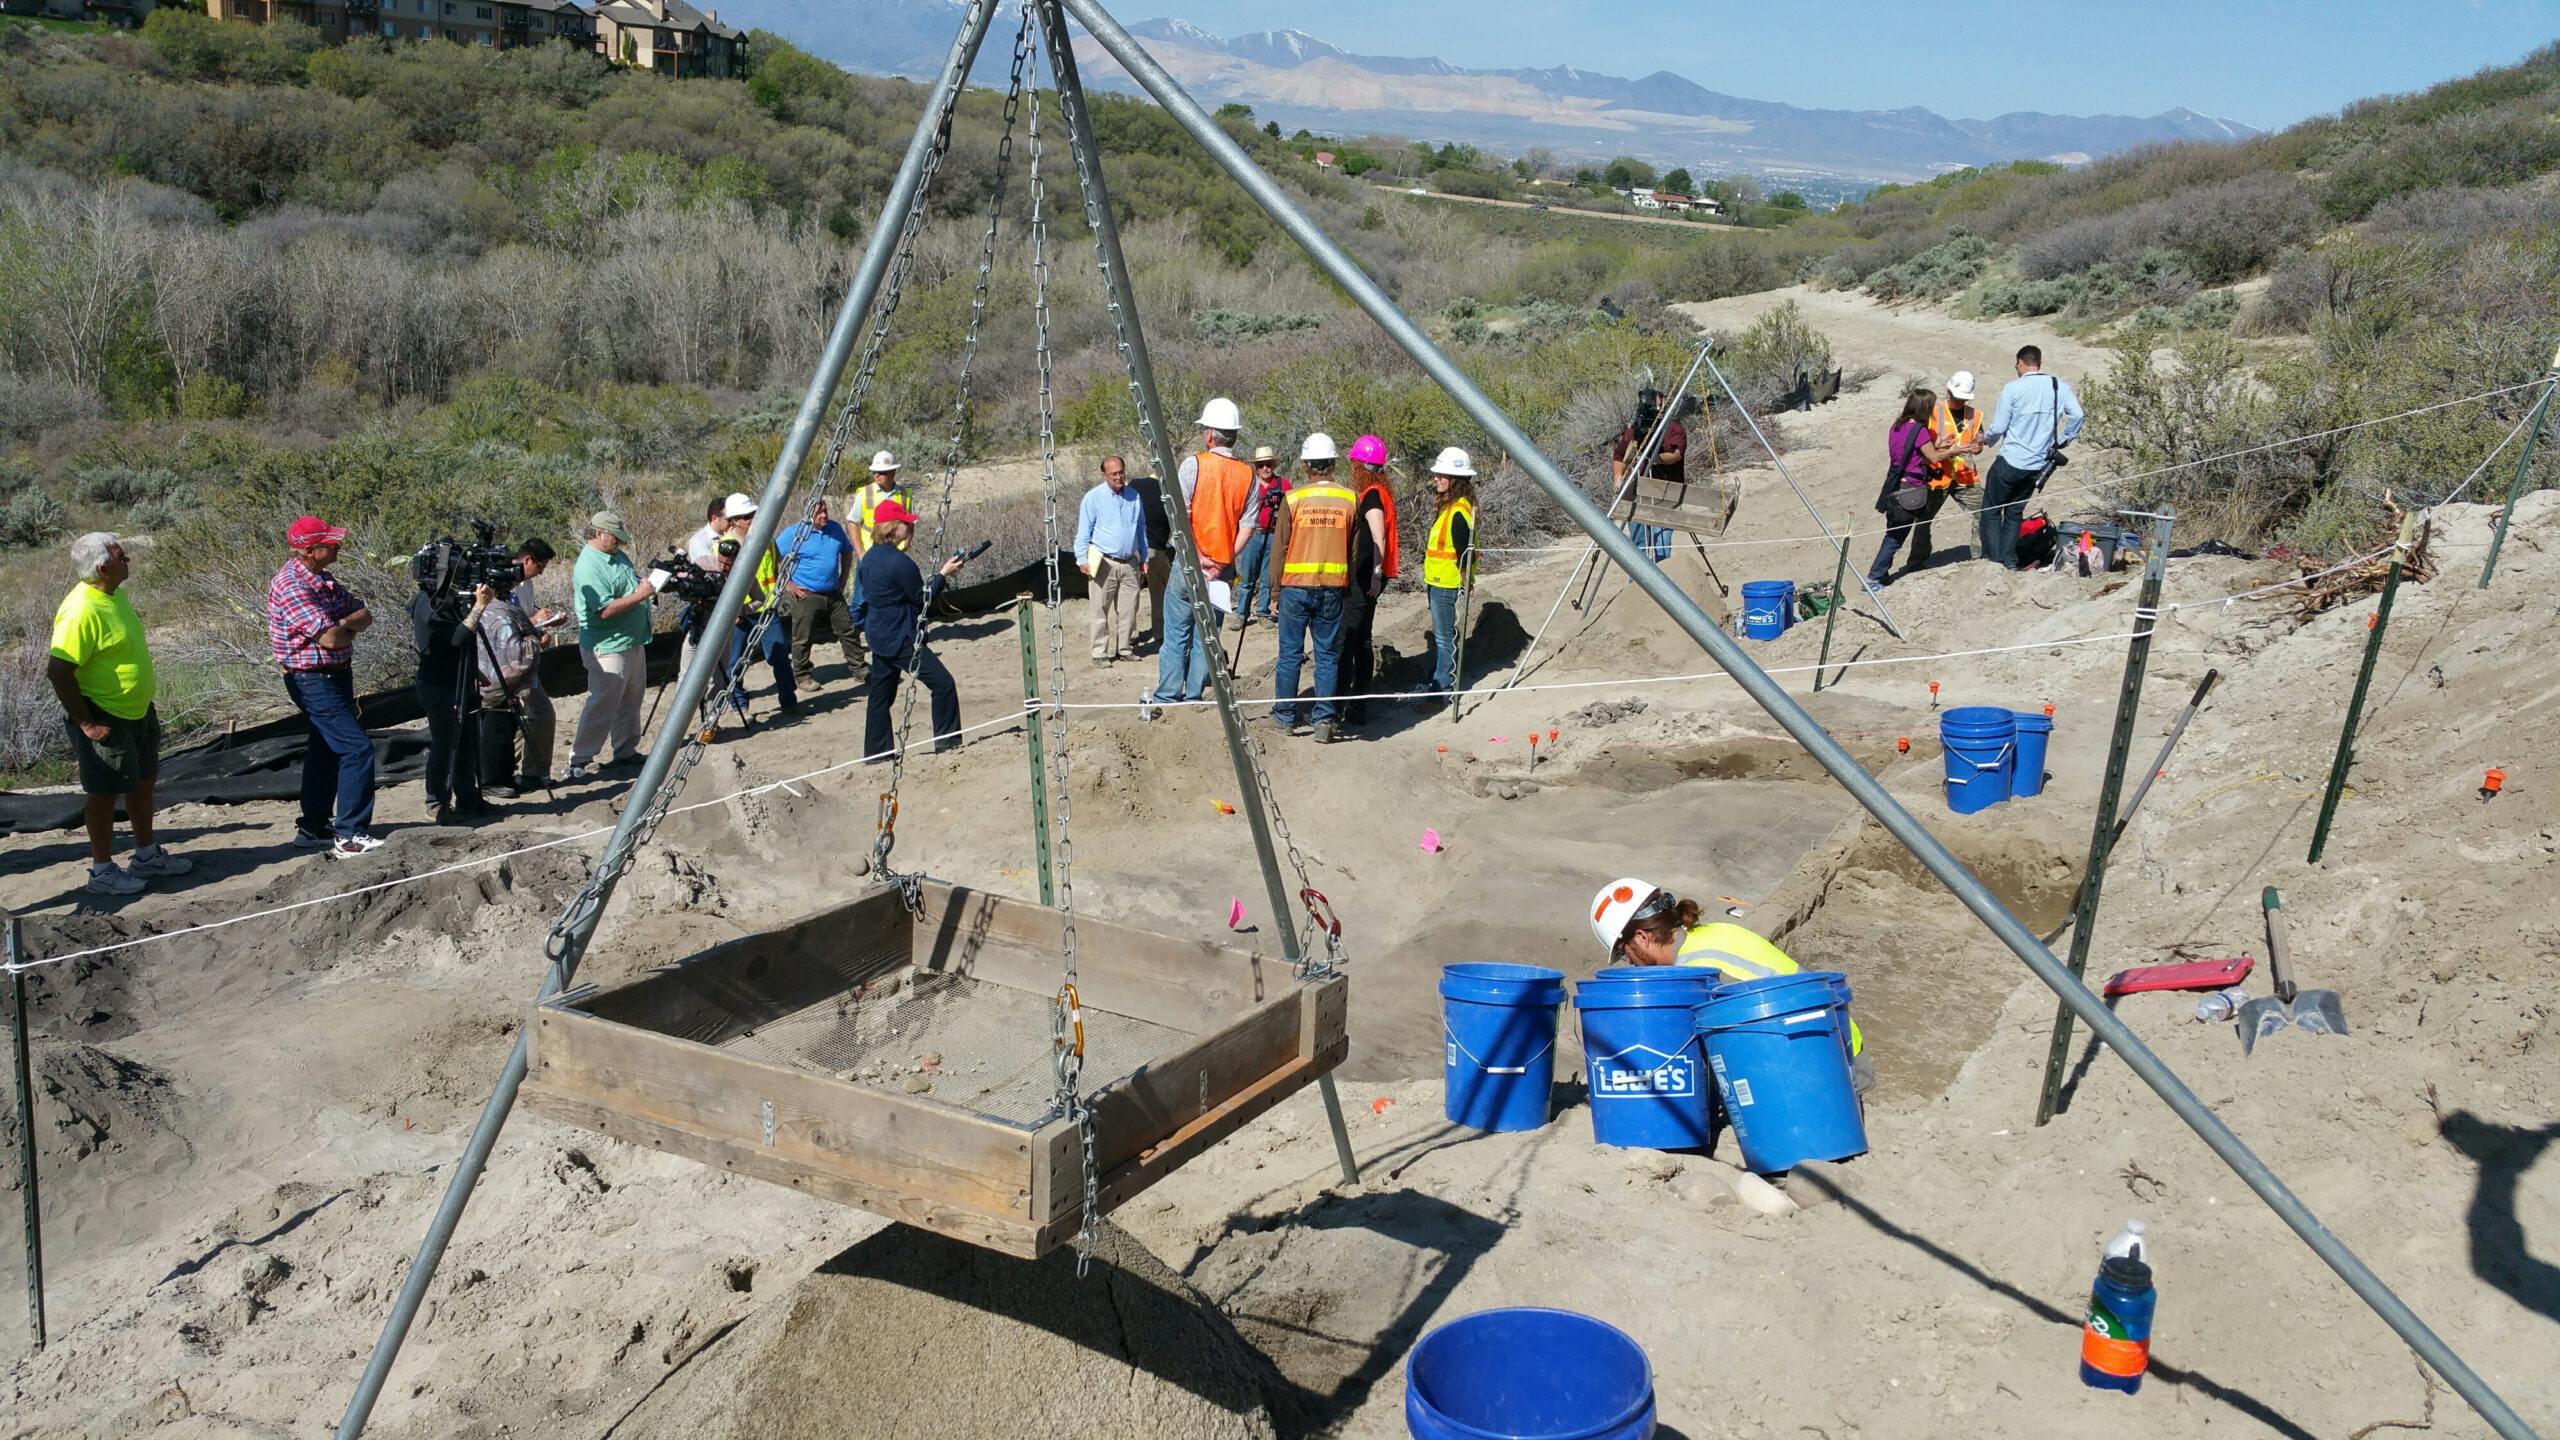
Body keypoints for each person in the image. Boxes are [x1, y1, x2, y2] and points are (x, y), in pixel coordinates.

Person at [1590, 878, 1867, 1090]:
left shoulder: (1698, 971)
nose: (1631, 963)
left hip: (1831, 1068)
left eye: (1625, 952)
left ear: (1642, 937)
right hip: (1836, 1045)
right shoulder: (1709, 935)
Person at [47, 533, 191, 894]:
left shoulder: (114, 595)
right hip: (104, 715)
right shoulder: (80, 611)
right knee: (104, 793)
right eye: (120, 555)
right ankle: (102, 871)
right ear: (101, 568)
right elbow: (59, 672)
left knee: (144, 782)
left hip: (136, 710)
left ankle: (146, 855)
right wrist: (87, 723)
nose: (127, 558)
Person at [267, 515, 381, 857]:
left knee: (326, 748)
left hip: (334, 674)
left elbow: (364, 614)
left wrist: (342, 624)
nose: (337, 546)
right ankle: (349, 835)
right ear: (309, 550)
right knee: (356, 749)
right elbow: (331, 638)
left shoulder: (323, 580)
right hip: (312, 679)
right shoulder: (292, 585)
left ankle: (313, 826)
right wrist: (343, 627)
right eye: (330, 543)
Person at [859, 500, 971, 760]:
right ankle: (948, 743)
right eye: (905, 524)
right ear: (892, 527)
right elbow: (923, 599)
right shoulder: (900, 563)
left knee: (879, 697)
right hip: (901, 638)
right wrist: (944, 574)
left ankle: (877, 753)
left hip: (878, 634)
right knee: (943, 684)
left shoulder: (868, 558)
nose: (910, 528)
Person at [1270, 433, 1354, 742]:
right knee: (1327, 656)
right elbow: (1354, 551)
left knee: (1290, 655)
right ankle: (1323, 722)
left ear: (1306, 466)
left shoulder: (1293, 499)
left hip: (1294, 588)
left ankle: (1285, 718)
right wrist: (1345, 585)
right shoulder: (1349, 499)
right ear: (1332, 463)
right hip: (1332, 588)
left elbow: (1279, 550)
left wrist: (1274, 592)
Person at [567, 510, 656, 780]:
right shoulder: (589, 566)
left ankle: (625, 750)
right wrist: (640, 595)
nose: (618, 542)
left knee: (631, 699)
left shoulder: (615, 555)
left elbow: (627, 584)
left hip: (631, 640)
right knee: (603, 702)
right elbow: (604, 610)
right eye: (614, 537)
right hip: (608, 645)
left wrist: (642, 586)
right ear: (598, 534)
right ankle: (580, 758)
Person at [1976, 345, 2083, 570]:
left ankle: (1993, 563)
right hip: (2037, 464)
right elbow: (2077, 415)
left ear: (2020, 362)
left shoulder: (2013, 388)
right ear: (2039, 364)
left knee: (1992, 511)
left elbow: (2000, 426)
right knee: (2014, 514)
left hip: (2010, 461)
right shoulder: (2058, 387)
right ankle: (2010, 562)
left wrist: (1985, 439)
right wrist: (2062, 441)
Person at [410, 569, 497, 826]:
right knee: (445, 745)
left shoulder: (449, 601)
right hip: (438, 685)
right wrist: (479, 607)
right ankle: (435, 802)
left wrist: (474, 671)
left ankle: (468, 798)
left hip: (459, 680)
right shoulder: (428, 603)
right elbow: (457, 639)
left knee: (468, 742)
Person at [473, 538, 559, 795]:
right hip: (502, 666)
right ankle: (497, 780)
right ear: (527, 559)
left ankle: (518, 774)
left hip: (517, 663)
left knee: (515, 719)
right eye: (539, 567)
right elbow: (501, 622)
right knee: (501, 720)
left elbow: (516, 620)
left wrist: (539, 626)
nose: (540, 573)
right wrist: (535, 630)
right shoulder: (500, 584)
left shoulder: (523, 585)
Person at [1339, 435, 1399, 729]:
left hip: (1366, 575)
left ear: (1360, 465)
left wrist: (1375, 574)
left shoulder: (1372, 495)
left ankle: (1341, 703)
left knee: (1350, 638)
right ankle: (1357, 705)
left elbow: (1379, 536)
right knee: (1362, 637)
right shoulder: (1380, 492)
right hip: (1372, 574)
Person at [776, 495, 867, 689]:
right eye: (819, 513)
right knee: (803, 636)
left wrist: (843, 578)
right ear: (808, 514)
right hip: (806, 595)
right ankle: (802, 676)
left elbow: (847, 551)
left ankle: (860, 669)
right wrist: (788, 584)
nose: (824, 515)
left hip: (833, 592)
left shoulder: (834, 529)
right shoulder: (793, 534)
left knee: (848, 630)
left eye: (825, 511)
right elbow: (774, 555)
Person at [1181, 397, 1252, 633]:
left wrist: (1199, 557)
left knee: (1177, 636)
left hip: (1189, 562)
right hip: (1222, 570)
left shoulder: (1194, 464)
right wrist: (1222, 561)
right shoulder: (1247, 474)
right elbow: (1248, 526)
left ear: (1210, 434)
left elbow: (1181, 517)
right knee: (1209, 635)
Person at [1867, 389, 1949, 587]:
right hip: (1911, 488)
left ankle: (1881, 574)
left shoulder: (1897, 426)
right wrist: (1954, 450)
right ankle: (1874, 577)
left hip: (1895, 484)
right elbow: (1934, 458)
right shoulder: (1919, 430)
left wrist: (1936, 444)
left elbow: (1910, 451)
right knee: (1895, 537)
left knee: (1893, 531)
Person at [1074, 450, 1150, 664]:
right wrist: (1082, 559)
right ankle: (1099, 652)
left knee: (1129, 609)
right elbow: (1083, 532)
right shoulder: (1093, 498)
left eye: (1121, 472)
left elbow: (1141, 529)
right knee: (1100, 609)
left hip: (1129, 562)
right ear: (1104, 475)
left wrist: (1144, 558)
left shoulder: (1134, 496)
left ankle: (1124, 649)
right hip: (1104, 562)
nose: (1119, 477)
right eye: (1114, 474)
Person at [1421, 447, 1477, 711]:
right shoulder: (1453, 507)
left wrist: (1466, 582)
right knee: (1443, 638)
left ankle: (1442, 690)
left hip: (1446, 583)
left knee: (1444, 639)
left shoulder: (1457, 512)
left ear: (1455, 479)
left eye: (1441, 475)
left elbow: (1465, 554)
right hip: (1438, 579)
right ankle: (1438, 680)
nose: (1436, 479)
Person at [727, 538, 798, 726]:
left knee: (780, 655)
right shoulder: (722, 544)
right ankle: (739, 707)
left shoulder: (767, 540)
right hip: (739, 614)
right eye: (746, 516)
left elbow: (779, 565)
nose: (751, 519)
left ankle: (789, 700)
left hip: (767, 607)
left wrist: (787, 583)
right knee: (735, 662)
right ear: (735, 519)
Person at [1611, 386, 1686, 561]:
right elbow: (1619, 455)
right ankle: (1637, 584)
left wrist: (1654, 458)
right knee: (1639, 543)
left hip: (1665, 495)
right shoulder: (1634, 431)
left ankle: (1661, 582)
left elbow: (1675, 455)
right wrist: (1618, 477)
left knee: (1661, 542)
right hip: (1637, 494)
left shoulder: (1674, 429)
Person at [1120, 456, 1173, 648]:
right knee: (1159, 592)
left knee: (1130, 593)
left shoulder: (1134, 485)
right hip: (1155, 549)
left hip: (1131, 548)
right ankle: (1160, 633)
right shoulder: (1167, 493)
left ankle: (1127, 636)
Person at [1233, 444, 1289, 623]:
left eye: (1269, 464)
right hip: (1252, 535)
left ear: (1273, 465)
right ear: (1256, 467)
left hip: (1274, 536)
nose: (1265, 468)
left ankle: (1263, 612)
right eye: (1261, 465)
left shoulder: (1283, 484)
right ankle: (1241, 614)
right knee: (1247, 577)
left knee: (1268, 577)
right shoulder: (1248, 484)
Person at [1931, 370, 1989, 495]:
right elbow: (1922, 446)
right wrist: (1940, 448)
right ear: (1948, 392)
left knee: (1986, 513)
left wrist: (1977, 448)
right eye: (1956, 397)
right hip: (1937, 478)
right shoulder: (1933, 412)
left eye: (1963, 399)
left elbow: (1979, 445)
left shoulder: (1975, 415)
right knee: (1921, 513)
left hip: (1966, 477)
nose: (1959, 401)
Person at [851, 450, 912, 551]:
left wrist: (906, 544)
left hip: (896, 553)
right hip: (869, 553)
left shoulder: (905, 494)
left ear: (893, 472)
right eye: (874, 472)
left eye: (881, 472)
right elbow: (852, 522)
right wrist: (860, 553)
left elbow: (910, 522)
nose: (876, 475)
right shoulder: (865, 493)